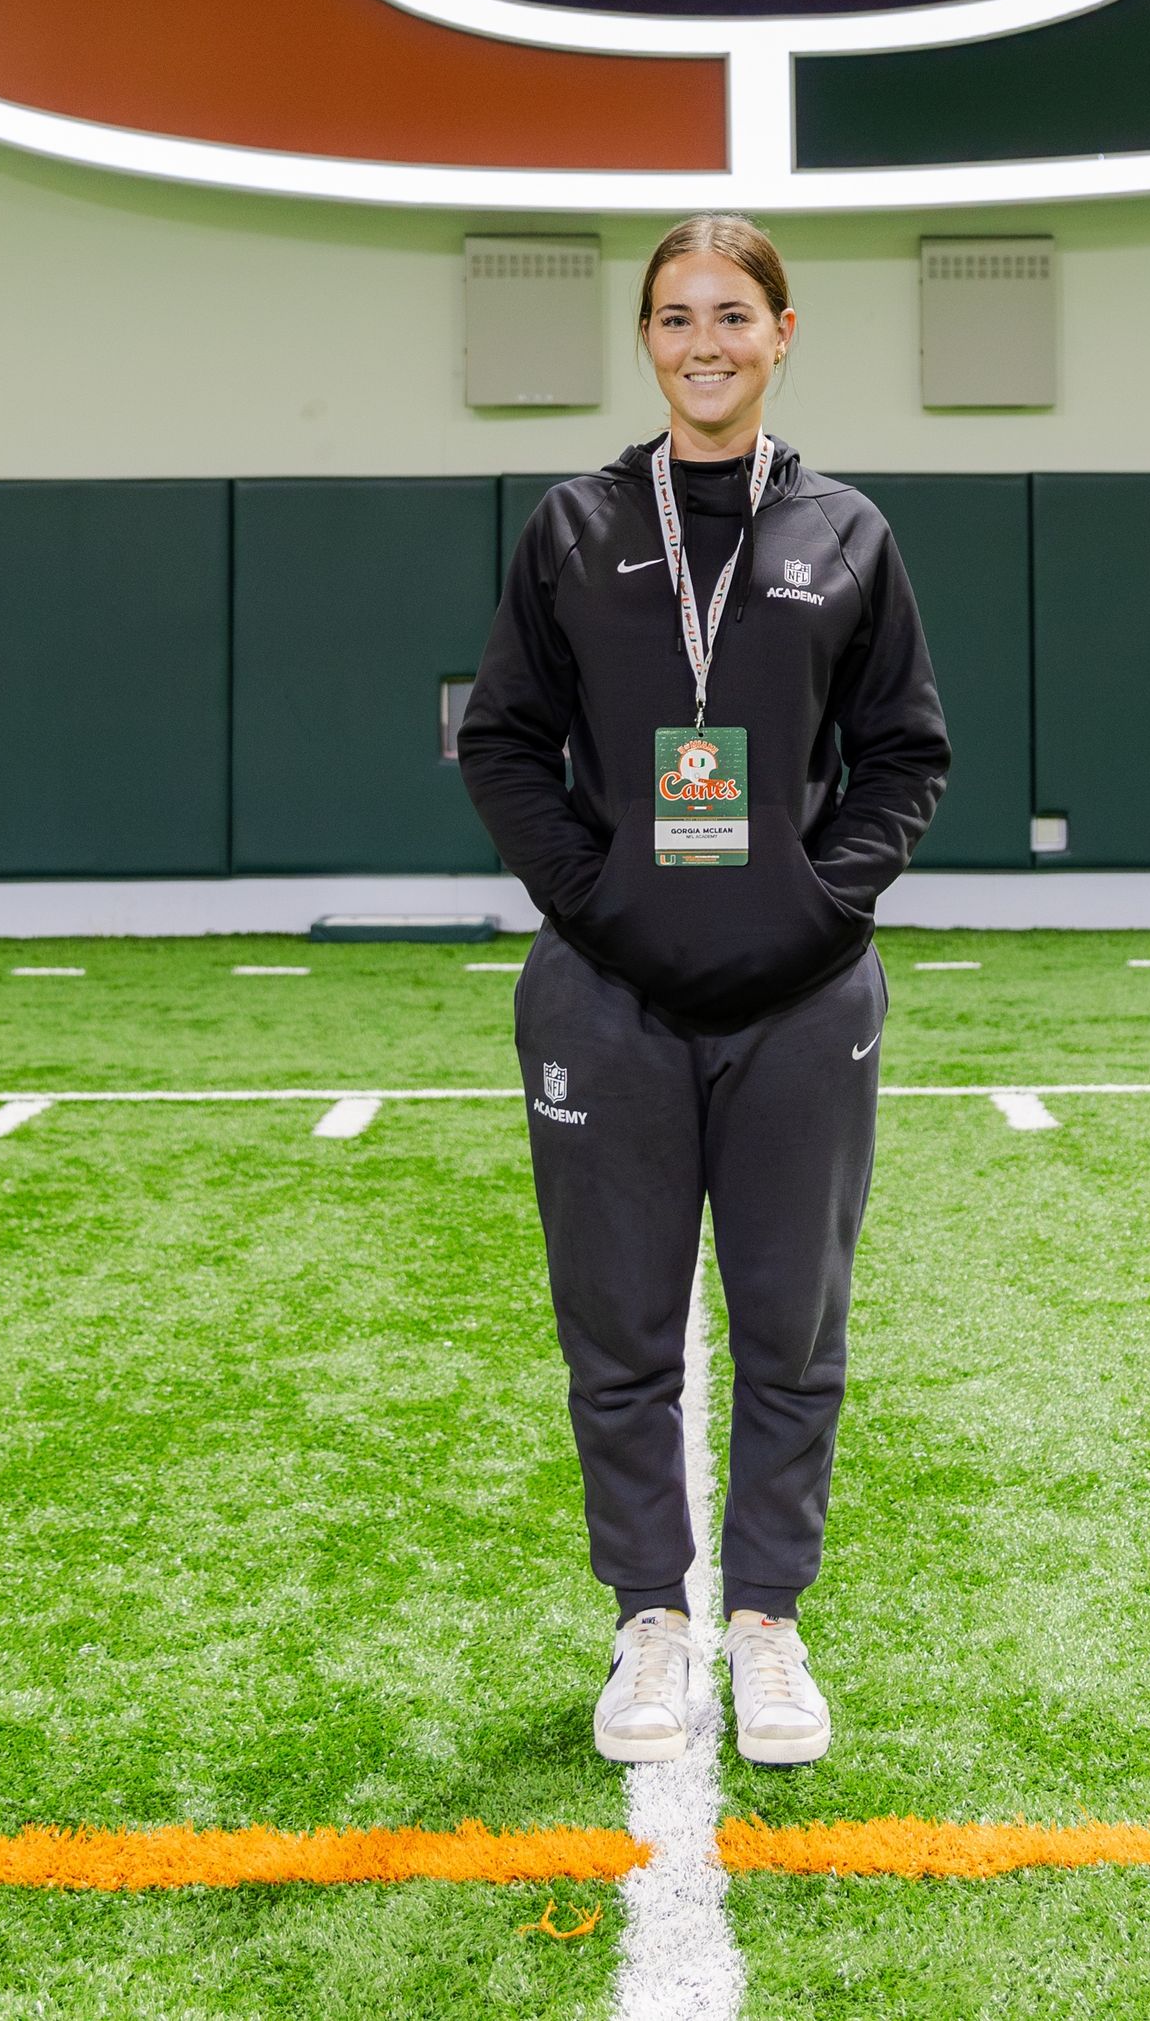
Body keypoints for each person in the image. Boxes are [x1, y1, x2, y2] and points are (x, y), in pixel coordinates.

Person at [458, 214, 949, 1770]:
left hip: (803, 997)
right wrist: (596, 894)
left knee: (792, 1326)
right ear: (647, 340)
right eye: (676, 316)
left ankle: (769, 1624)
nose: (705, 342)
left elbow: (906, 755)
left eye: (734, 313)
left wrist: (817, 900)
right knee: (619, 1330)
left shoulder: (847, 533)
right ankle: (651, 1622)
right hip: (608, 994)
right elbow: (502, 743)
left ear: (783, 333)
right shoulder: (575, 526)